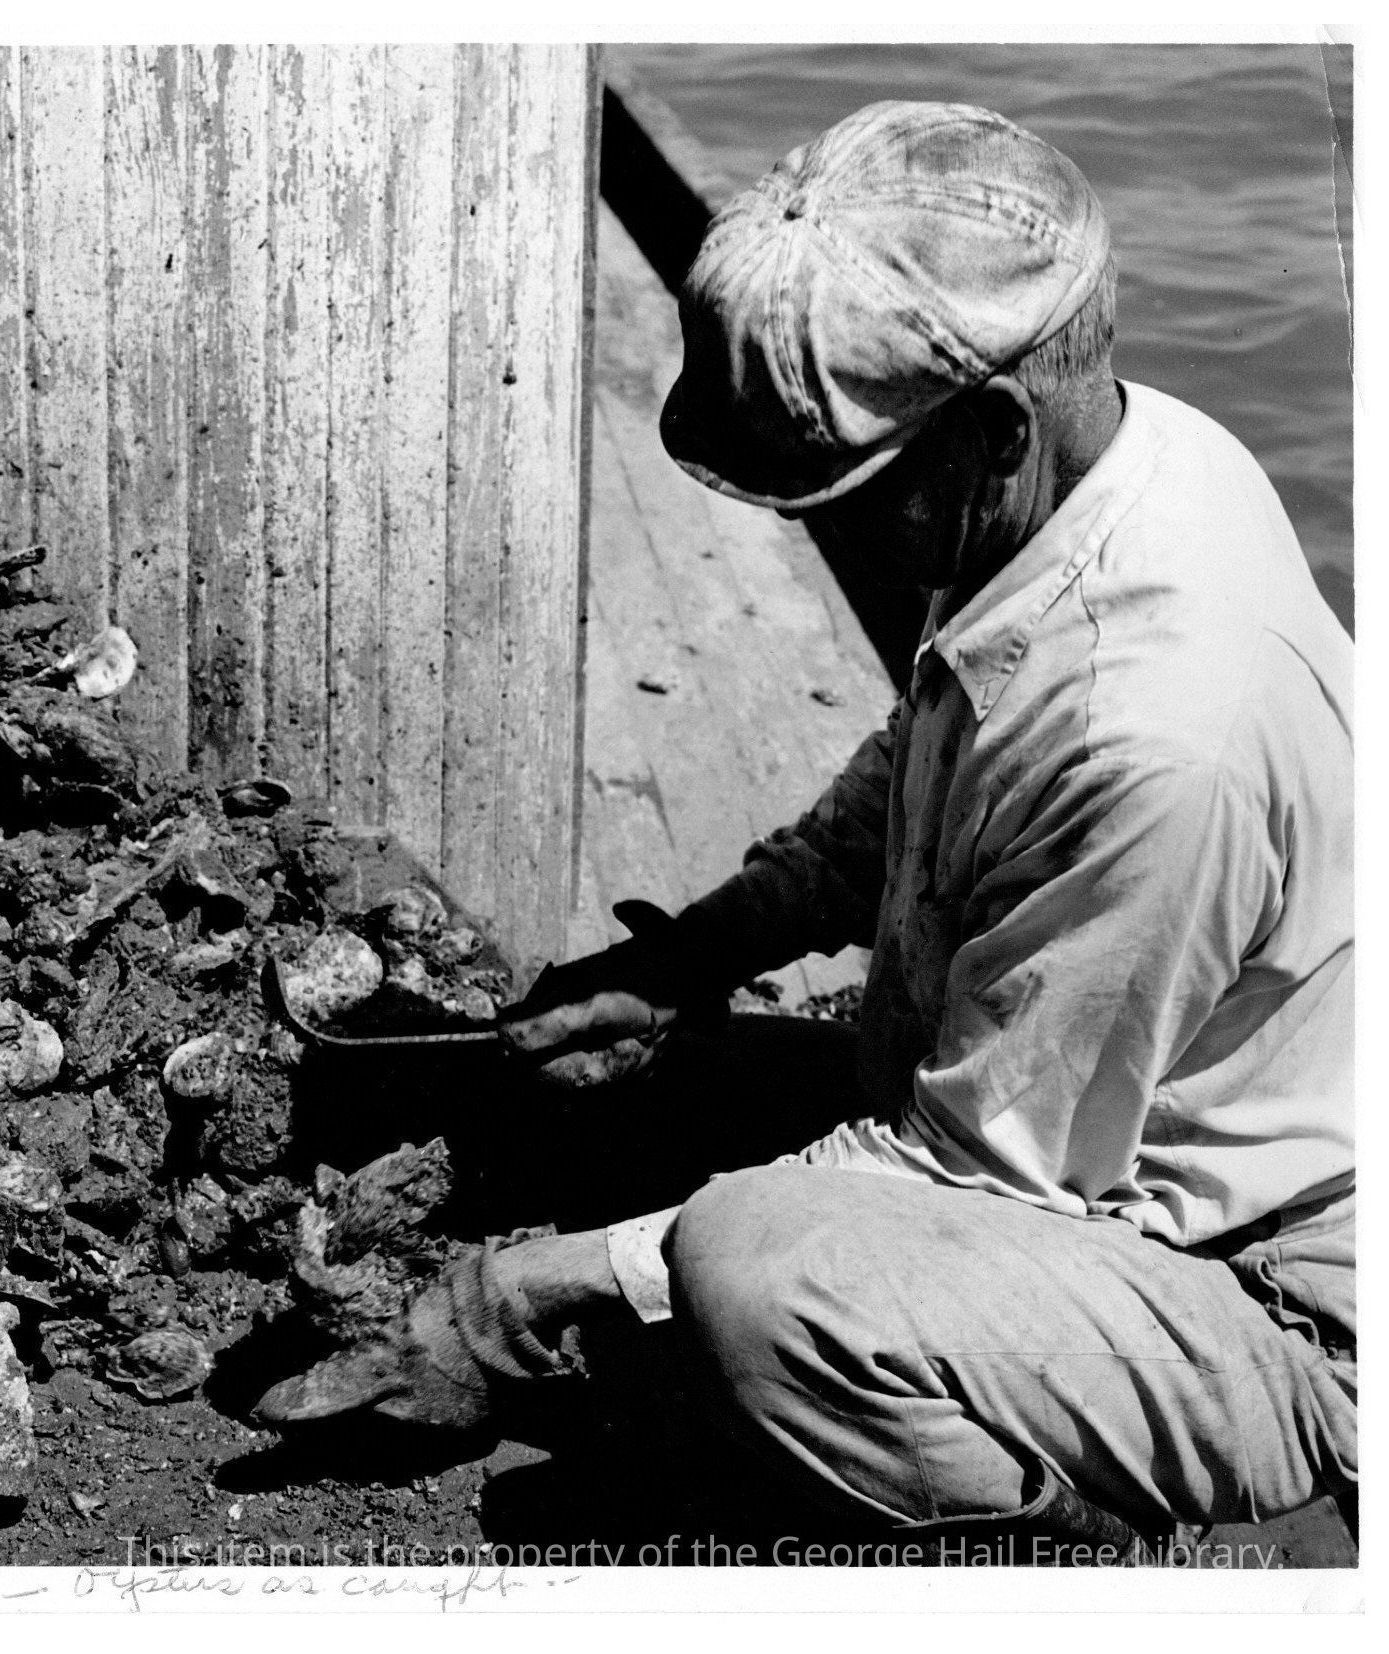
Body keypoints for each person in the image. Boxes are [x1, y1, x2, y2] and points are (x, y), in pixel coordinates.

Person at [255, 100, 1355, 1556]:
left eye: (838, 496)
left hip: (1261, 1295)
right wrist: (691, 956)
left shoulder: (1156, 735)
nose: (801, 533)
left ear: (992, 432)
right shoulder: (1098, 472)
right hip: (1088, 1123)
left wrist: (511, 1305)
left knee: (754, 1272)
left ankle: (1138, 1539)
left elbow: (980, 1179)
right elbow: (916, 768)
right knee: (646, 1100)